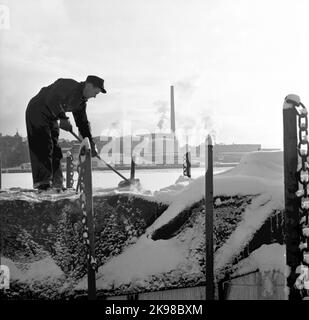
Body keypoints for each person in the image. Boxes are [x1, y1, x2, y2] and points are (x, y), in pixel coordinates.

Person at [25, 75, 106, 191]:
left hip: (52, 117)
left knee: (55, 149)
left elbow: (83, 125)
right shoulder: (68, 85)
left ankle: (57, 184)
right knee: (44, 145)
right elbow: (52, 98)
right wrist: (63, 118)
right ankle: (43, 184)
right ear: (89, 85)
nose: (94, 96)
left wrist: (91, 143)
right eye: (95, 93)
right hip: (37, 110)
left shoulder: (81, 103)